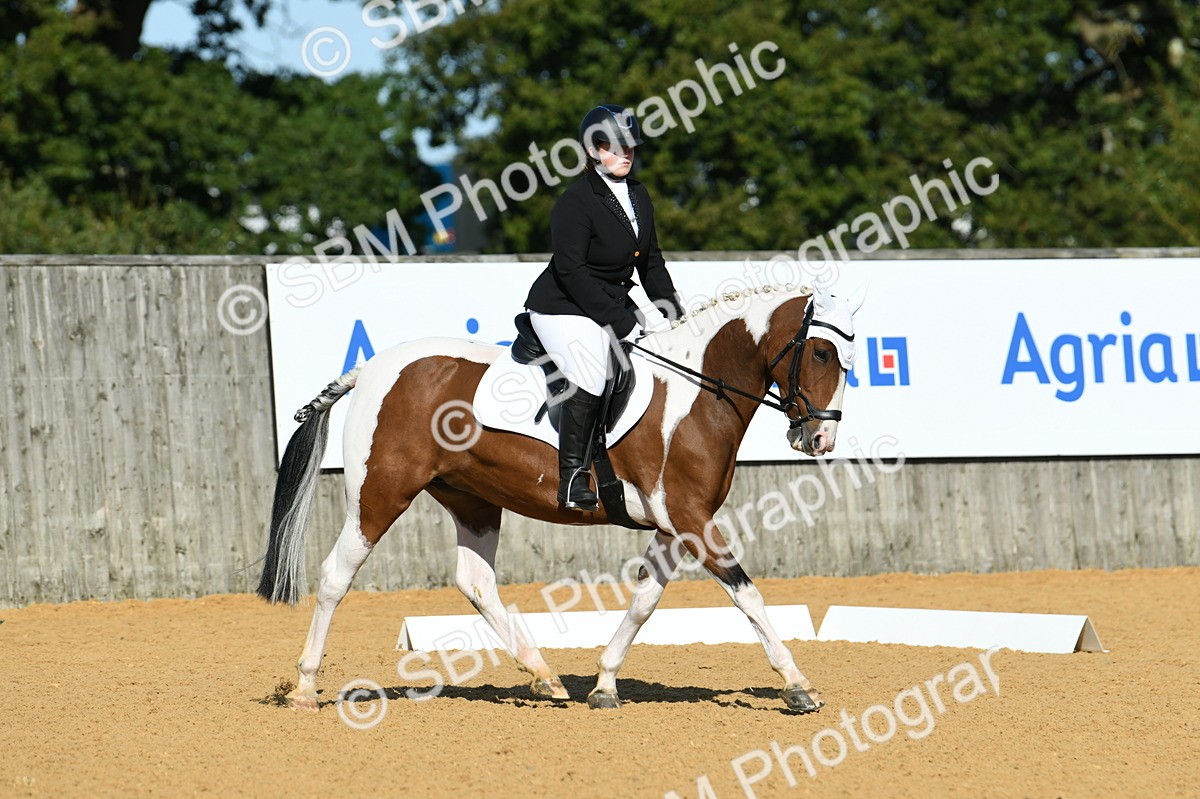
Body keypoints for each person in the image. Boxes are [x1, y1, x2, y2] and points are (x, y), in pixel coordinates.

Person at [524, 104, 685, 512]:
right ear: (593, 150)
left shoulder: (639, 195)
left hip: (609, 303)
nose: (625, 154)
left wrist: (672, 311)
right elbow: (571, 270)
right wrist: (621, 321)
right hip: (563, 306)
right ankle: (573, 477)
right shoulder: (576, 201)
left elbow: (650, 262)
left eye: (630, 147)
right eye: (614, 147)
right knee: (592, 370)